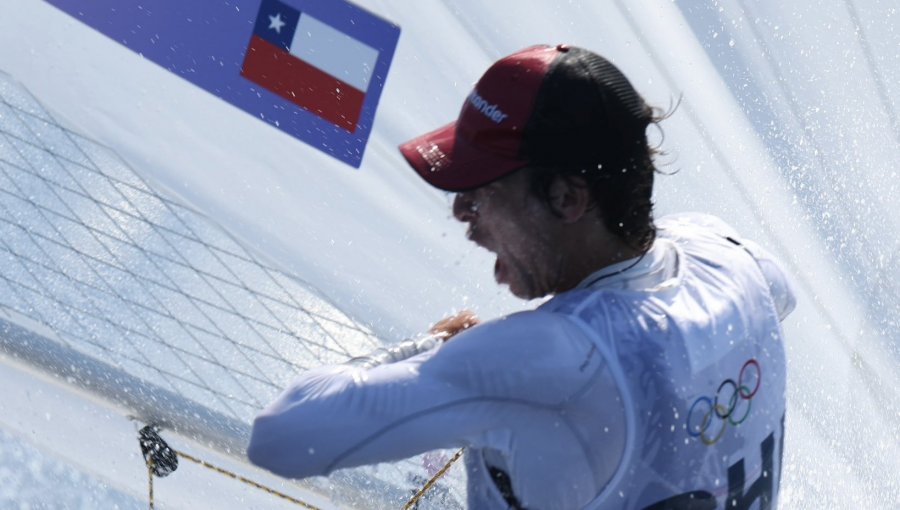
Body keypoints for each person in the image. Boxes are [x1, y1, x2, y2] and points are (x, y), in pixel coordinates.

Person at [247, 44, 796, 509]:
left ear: (568, 197)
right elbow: (778, 296)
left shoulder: (549, 358)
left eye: (482, 191)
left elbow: (283, 438)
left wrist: (430, 346)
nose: (461, 213)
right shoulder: (728, 256)